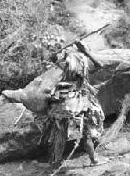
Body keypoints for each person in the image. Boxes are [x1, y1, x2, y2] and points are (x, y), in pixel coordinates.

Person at [43, 41, 104, 169]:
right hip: (80, 102)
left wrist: (55, 55)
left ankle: (56, 163)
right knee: (86, 133)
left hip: (62, 102)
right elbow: (100, 65)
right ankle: (93, 160)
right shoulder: (84, 63)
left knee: (60, 134)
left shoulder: (64, 66)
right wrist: (86, 52)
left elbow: (51, 61)